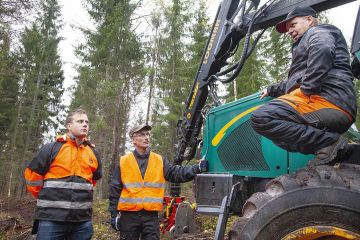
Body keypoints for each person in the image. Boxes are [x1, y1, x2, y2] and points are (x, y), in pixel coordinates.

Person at [251, 6, 357, 165]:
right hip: (332, 103)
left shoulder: (317, 32)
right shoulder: (307, 42)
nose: (289, 31)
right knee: (285, 139)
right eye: (288, 29)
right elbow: (297, 81)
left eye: (293, 25)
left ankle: (330, 143)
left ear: (309, 19)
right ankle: (327, 148)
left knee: (262, 118)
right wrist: (271, 89)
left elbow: (323, 48)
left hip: (327, 100)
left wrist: (308, 88)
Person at [109, 124, 208, 240]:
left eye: (147, 134)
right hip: (128, 216)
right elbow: (114, 190)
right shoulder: (123, 161)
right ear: (133, 140)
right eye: (142, 134)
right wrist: (114, 215)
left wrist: (197, 168)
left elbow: (176, 173)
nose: (146, 137)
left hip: (150, 217)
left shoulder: (159, 160)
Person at [24, 108, 102, 240]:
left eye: (87, 122)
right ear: (69, 126)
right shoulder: (52, 148)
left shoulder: (93, 153)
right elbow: (32, 178)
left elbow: (92, 182)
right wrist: (46, 198)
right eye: (80, 121)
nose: (85, 124)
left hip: (82, 222)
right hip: (51, 219)